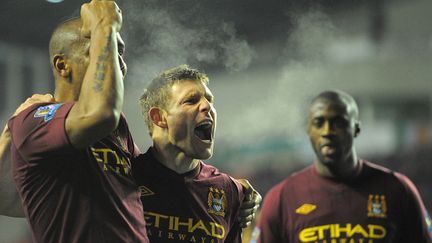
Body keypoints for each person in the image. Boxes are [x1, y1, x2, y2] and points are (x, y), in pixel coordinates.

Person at [5, 1, 149, 242]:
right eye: (104, 48)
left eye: (118, 51)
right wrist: (104, 25)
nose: (119, 64)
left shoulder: (116, 126)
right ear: (63, 65)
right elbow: (99, 114)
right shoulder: (35, 119)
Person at [253, 90, 432, 243]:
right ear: (308, 130)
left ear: (356, 129)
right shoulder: (282, 198)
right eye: (318, 123)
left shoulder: (398, 189)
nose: (327, 131)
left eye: (338, 122)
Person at [133, 64, 261, 242]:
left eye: (210, 100)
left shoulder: (229, 191)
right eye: (191, 100)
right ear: (159, 117)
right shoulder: (125, 179)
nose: (207, 106)